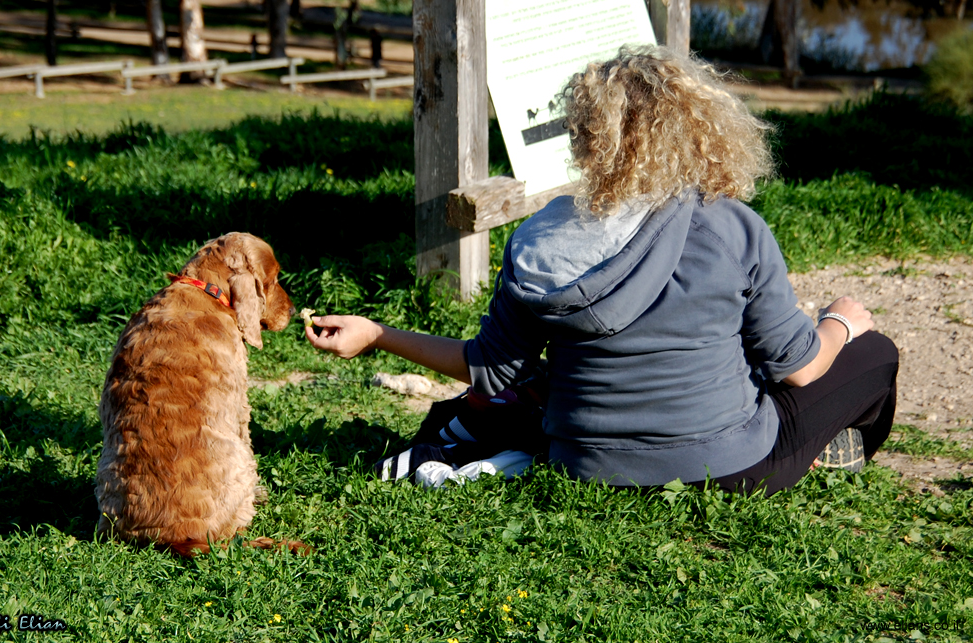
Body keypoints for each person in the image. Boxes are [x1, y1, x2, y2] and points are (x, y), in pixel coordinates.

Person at [306, 45, 898, 494]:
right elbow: (798, 369)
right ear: (703, 129)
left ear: (588, 136)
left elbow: (488, 368)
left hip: (582, 463)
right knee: (876, 356)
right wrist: (840, 323)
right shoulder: (732, 226)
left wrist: (378, 333)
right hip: (725, 467)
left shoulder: (541, 239)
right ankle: (830, 447)